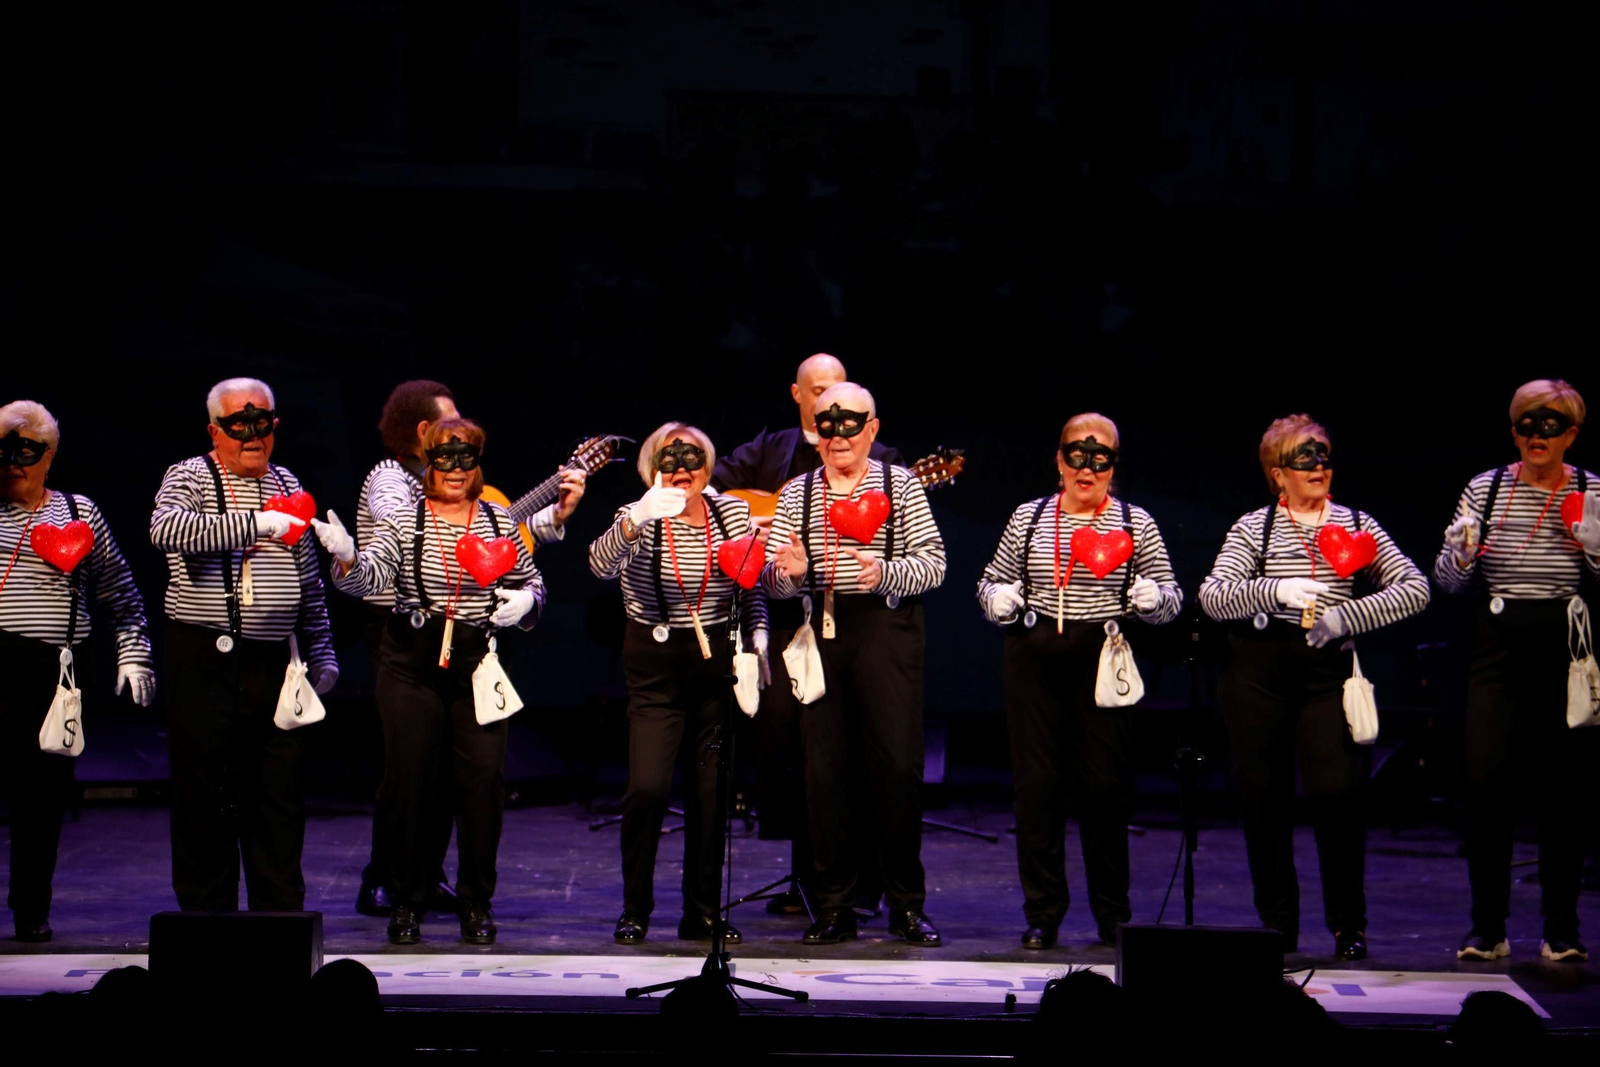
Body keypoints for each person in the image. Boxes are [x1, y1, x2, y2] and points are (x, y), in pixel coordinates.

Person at [1199, 415, 1429, 960]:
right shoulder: (1254, 528)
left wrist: (1348, 618)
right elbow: (1214, 596)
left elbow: (1414, 588)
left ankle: (1349, 924)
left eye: (1324, 455)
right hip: (1260, 672)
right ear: (1279, 473)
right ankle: (1277, 924)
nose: (1319, 466)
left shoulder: (1355, 523)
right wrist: (1274, 589)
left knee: (1337, 798)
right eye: (1305, 458)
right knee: (1264, 802)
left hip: (1328, 672)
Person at [352, 380, 585, 918]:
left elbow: (491, 548)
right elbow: (412, 531)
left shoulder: (484, 509)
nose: (457, 448)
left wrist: (540, 525)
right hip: (407, 623)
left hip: (468, 635)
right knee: (409, 770)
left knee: (464, 774)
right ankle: (388, 878)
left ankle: (434, 881)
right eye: (446, 428)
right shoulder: (392, 479)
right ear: (423, 435)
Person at [316, 417, 543, 944]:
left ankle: (476, 902)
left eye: (466, 457)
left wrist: (528, 600)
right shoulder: (405, 519)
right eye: (444, 457)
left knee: (482, 781)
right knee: (409, 780)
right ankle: (406, 900)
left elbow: (531, 581)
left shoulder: (498, 522)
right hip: (411, 660)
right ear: (428, 462)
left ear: (478, 461)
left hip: (475, 661)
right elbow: (374, 576)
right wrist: (348, 557)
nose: (455, 469)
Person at [976, 413, 1182, 949]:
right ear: (1059, 460)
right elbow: (991, 581)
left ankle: (1112, 913)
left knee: (1103, 790)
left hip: (1103, 658)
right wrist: (996, 600)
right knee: (1037, 790)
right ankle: (1043, 912)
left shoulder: (1136, 523)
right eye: (1076, 455)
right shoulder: (1029, 518)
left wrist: (1155, 602)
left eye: (1100, 458)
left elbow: (1171, 595)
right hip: (1035, 657)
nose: (1087, 468)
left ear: (1113, 466)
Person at [712, 352, 902, 918]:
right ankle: (814, 881)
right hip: (786, 620)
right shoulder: (769, 453)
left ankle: (869, 887)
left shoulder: (887, 466)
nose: (832, 412)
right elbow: (711, 492)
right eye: (820, 396)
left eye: (842, 395)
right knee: (802, 756)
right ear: (798, 396)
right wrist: (756, 528)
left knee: (866, 758)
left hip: (856, 626)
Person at [762, 382, 947, 945]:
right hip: (820, 633)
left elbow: (933, 564)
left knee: (894, 768)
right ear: (815, 431)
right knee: (825, 772)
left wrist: (884, 572)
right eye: (827, 423)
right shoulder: (797, 492)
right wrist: (788, 573)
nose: (838, 434)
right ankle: (836, 904)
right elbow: (772, 578)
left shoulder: (902, 485)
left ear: (872, 428)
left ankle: (905, 904)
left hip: (886, 633)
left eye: (851, 423)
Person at [149, 377, 335, 912]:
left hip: (273, 663)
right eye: (239, 426)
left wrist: (321, 650)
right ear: (215, 430)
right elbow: (167, 529)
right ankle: (207, 924)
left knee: (276, 796)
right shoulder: (190, 475)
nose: (253, 436)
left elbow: (307, 578)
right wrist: (255, 522)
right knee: (203, 795)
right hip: (205, 657)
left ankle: (279, 922)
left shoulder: (288, 482)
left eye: (263, 424)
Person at [1433, 379, 1600, 964]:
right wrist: (1458, 554)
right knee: (1487, 788)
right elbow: (1448, 583)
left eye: (1551, 426)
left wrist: (1595, 548)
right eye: (1527, 425)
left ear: (1572, 434)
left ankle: (1562, 928)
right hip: (1497, 646)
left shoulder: (1592, 490)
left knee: (1564, 792)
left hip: (1565, 646)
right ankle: (1488, 927)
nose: (1537, 436)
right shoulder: (1486, 488)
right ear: (1513, 431)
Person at [589, 423, 767, 945]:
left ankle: (703, 910)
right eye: (671, 461)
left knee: (712, 795)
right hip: (656, 663)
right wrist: (637, 521)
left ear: (708, 468)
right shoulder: (636, 516)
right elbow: (598, 565)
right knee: (647, 789)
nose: (683, 471)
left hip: (715, 662)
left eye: (694, 461)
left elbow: (748, 577)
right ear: (652, 469)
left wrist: (757, 638)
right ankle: (635, 907)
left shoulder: (729, 512)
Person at [1, 400, 154, 941]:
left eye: (27, 451)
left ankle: (30, 910)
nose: (13, 462)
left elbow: (122, 594)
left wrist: (134, 653)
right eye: (4, 449)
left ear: (50, 456)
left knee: (41, 797)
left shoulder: (78, 512)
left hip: (54, 672)